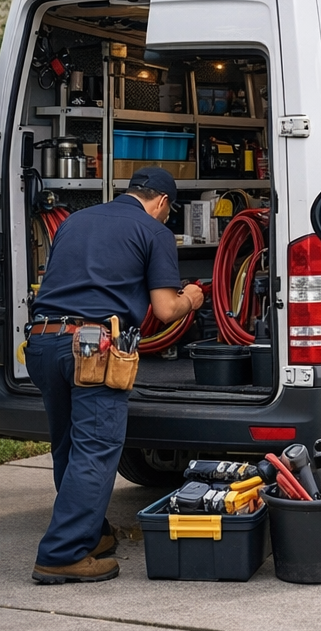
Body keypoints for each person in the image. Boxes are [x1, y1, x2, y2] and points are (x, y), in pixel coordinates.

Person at [25, 167, 204, 584]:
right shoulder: (154, 231)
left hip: (44, 340)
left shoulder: (75, 221)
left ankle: (92, 536)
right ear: (161, 202)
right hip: (91, 349)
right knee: (96, 449)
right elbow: (164, 309)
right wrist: (191, 298)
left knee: (68, 446)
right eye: (167, 211)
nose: (165, 217)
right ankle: (62, 555)